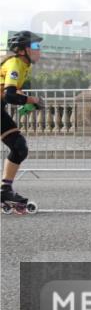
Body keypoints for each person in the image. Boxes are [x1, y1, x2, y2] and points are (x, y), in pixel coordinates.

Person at [1, 31, 43, 214]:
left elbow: (11, 92)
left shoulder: (25, 65)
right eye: (35, 46)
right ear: (22, 50)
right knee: (19, 146)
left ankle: (5, 190)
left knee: (19, 147)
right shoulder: (15, 63)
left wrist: (29, 100)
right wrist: (31, 100)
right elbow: (10, 95)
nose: (39, 50)